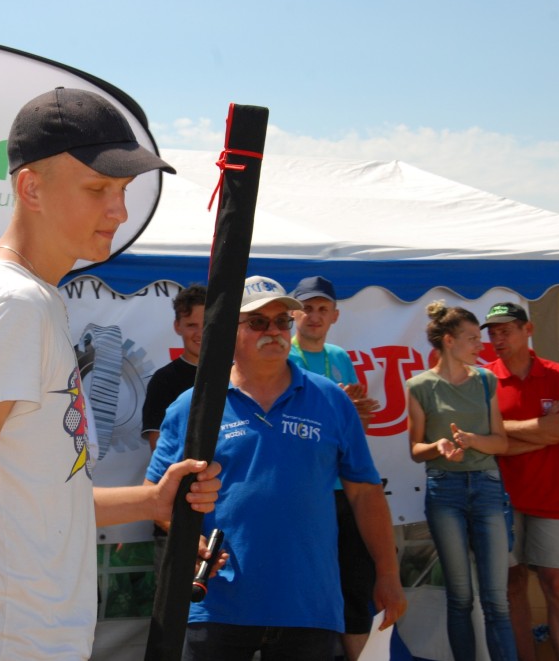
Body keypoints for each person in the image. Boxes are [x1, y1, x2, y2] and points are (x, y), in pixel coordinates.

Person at [0, 87, 222, 661]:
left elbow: (39, 497)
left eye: (123, 191)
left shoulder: (35, 301)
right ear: (31, 188)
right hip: (4, 643)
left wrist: (152, 500)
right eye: (98, 189)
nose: (119, 211)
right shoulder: (12, 304)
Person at [147, 276, 406, 660]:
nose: (274, 331)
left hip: (308, 605)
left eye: (282, 321)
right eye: (258, 322)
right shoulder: (193, 405)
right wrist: (191, 541)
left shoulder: (331, 400)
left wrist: (388, 573)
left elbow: (365, 493)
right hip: (218, 603)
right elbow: (155, 496)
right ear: (228, 331)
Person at [406, 301, 517, 660]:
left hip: (487, 486)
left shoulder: (485, 380)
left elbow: (501, 442)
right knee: (460, 597)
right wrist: (438, 446)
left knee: (496, 600)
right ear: (449, 341)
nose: (480, 345)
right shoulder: (419, 386)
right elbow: (416, 450)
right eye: (472, 338)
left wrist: (472, 441)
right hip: (445, 490)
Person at [481, 301, 559, 661]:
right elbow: (485, 440)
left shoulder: (556, 373)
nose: (498, 339)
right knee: (512, 586)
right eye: (493, 333)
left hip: (551, 497)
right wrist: (541, 432)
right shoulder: (483, 378)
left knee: (557, 584)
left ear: (528, 330)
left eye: (505, 331)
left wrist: (502, 431)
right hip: (500, 499)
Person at [288, 275, 380, 661]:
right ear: (294, 314)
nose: (315, 316)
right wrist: (333, 410)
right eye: (307, 308)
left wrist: (356, 414)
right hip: (303, 493)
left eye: (322, 309)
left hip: (345, 491)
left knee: (356, 588)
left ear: (335, 316)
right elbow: (285, 428)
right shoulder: (281, 358)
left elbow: (355, 429)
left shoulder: (340, 358)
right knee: (304, 589)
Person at [141, 284, 206, 576]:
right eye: (191, 325)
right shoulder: (164, 381)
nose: (199, 333)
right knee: (175, 603)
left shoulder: (238, 376)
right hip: (175, 518)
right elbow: (159, 449)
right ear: (177, 326)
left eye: (207, 324)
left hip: (227, 517)